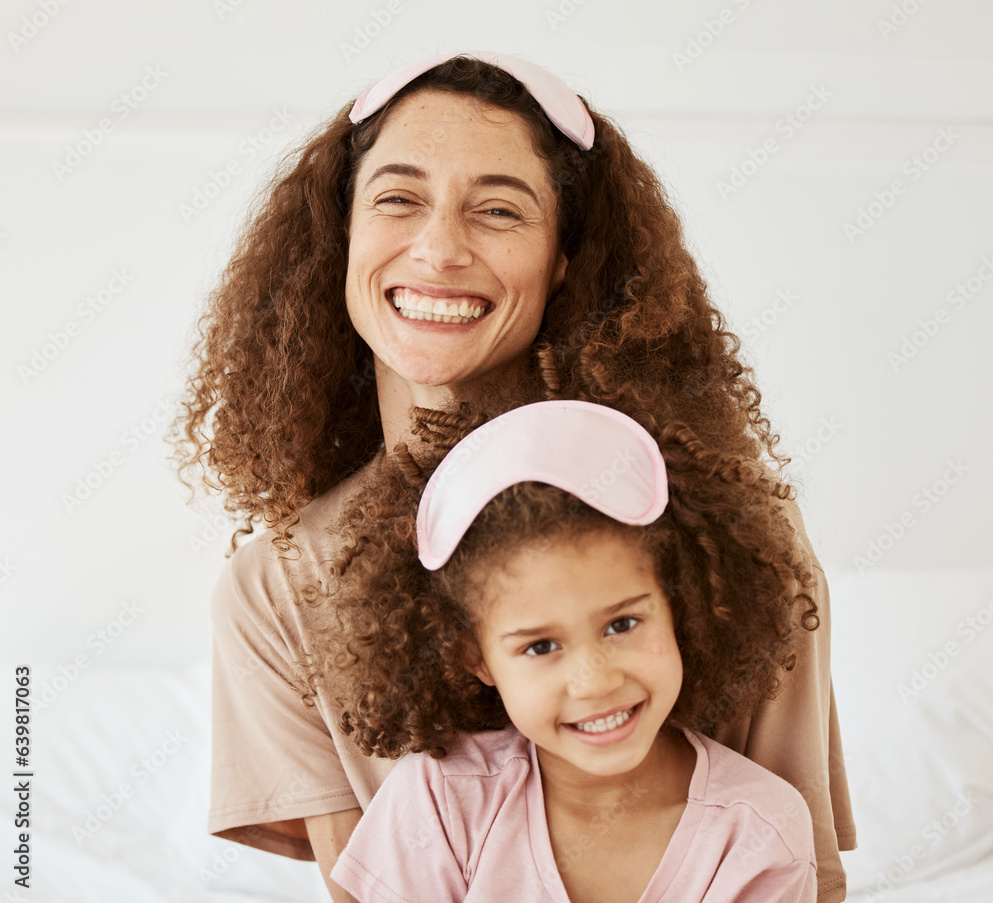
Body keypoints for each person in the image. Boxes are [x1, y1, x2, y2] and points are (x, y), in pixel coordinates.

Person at [172, 51, 854, 901]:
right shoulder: (274, 590)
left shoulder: (735, 534)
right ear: (340, 234)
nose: (438, 248)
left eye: (498, 209)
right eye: (397, 198)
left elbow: (800, 868)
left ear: (566, 256)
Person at [325, 398, 818, 902]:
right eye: (540, 646)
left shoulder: (757, 833)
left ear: (680, 605)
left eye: (622, 624)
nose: (596, 680)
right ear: (475, 659)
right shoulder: (440, 802)